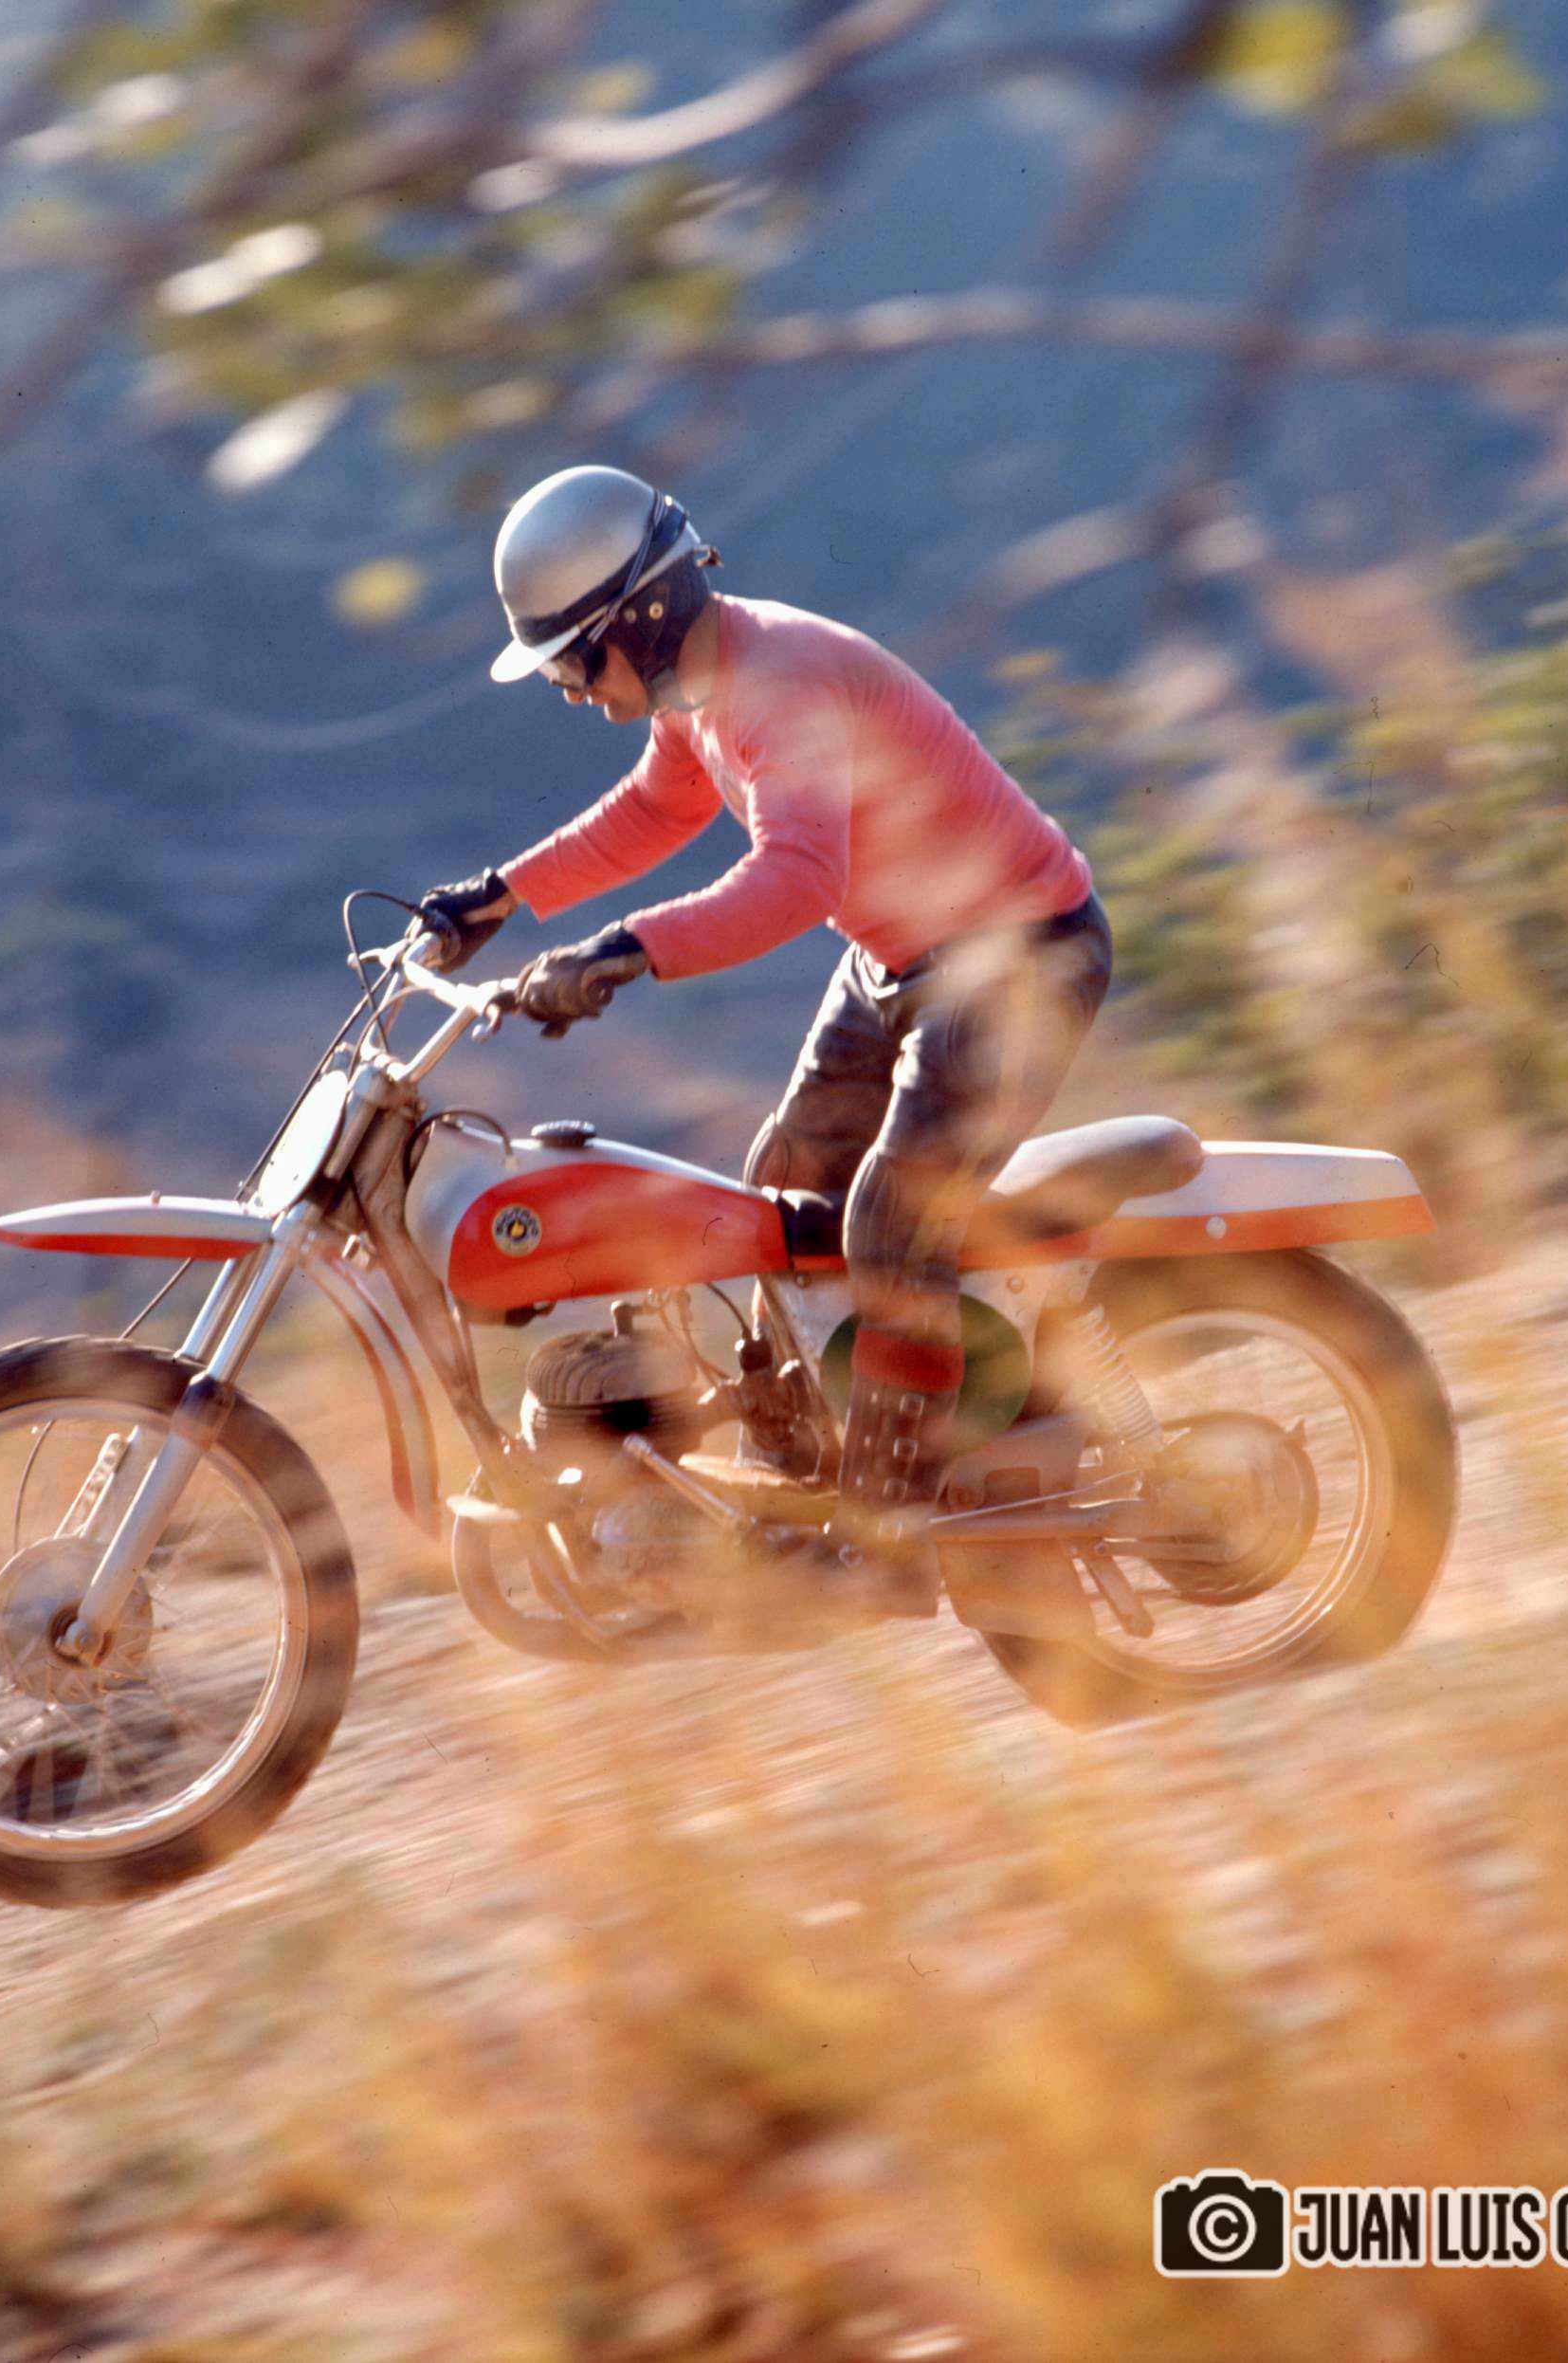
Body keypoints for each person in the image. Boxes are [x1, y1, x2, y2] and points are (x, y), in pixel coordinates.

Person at [416, 465, 1113, 1612]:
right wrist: (501, 895)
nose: (570, 692)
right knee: (778, 1189)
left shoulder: (779, 685)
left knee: (893, 1225)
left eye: (573, 662)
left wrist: (625, 949)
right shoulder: (701, 685)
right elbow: (657, 809)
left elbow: (796, 879)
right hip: (907, 960)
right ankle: (798, 1479)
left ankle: (888, 1536)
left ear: (640, 617)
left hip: (1019, 957)